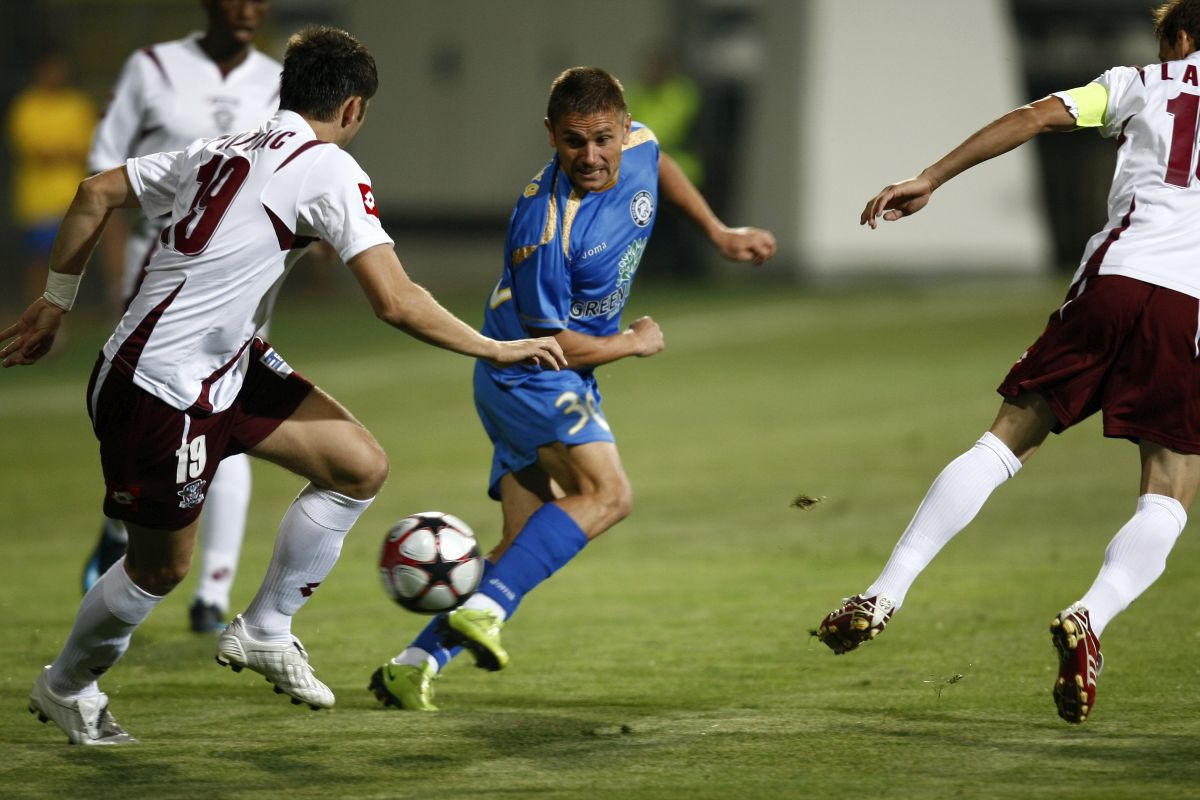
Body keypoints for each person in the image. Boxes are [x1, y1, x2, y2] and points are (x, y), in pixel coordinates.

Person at [4, 25, 566, 746]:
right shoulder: (326, 165)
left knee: (357, 466)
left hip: (224, 365)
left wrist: (56, 300)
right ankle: (66, 686)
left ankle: (266, 627)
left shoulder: (224, 147)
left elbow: (96, 191)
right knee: (158, 569)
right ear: (354, 108)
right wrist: (495, 347)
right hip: (161, 388)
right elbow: (395, 300)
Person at [815, 0, 1200, 726]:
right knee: (1169, 491)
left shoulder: (1139, 81)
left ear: (1180, 37)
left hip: (1116, 281)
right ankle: (1091, 615)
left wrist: (931, 176)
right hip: (1192, 309)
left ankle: (883, 593)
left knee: (1003, 444)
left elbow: (1033, 117)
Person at [368, 66, 777, 712]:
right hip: (530, 373)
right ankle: (486, 609)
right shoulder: (543, 223)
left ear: (624, 128)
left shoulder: (638, 144)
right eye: (573, 142)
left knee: (521, 545)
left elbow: (660, 164)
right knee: (609, 495)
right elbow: (551, 341)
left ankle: (410, 666)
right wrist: (632, 342)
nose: (590, 156)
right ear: (550, 135)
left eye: (603, 139)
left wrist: (718, 231)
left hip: (540, 377)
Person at [82, 0, 283, 635]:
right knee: (162, 418)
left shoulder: (278, 80)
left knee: (226, 413)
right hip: (159, 275)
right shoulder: (154, 67)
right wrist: (109, 278)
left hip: (242, 282)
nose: (248, 9)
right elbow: (103, 173)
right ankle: (126, 526)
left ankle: (213, 593)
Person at [6, 49, 96, 305]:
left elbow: (86, 147)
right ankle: (37, 308)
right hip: (39, 200)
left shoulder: (78, 104)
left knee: (71, 262)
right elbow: (34, 150)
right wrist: (64, 151)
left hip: (73, 196)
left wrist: (58, 151)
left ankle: (62, 311)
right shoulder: (26, 106)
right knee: (38, 259)